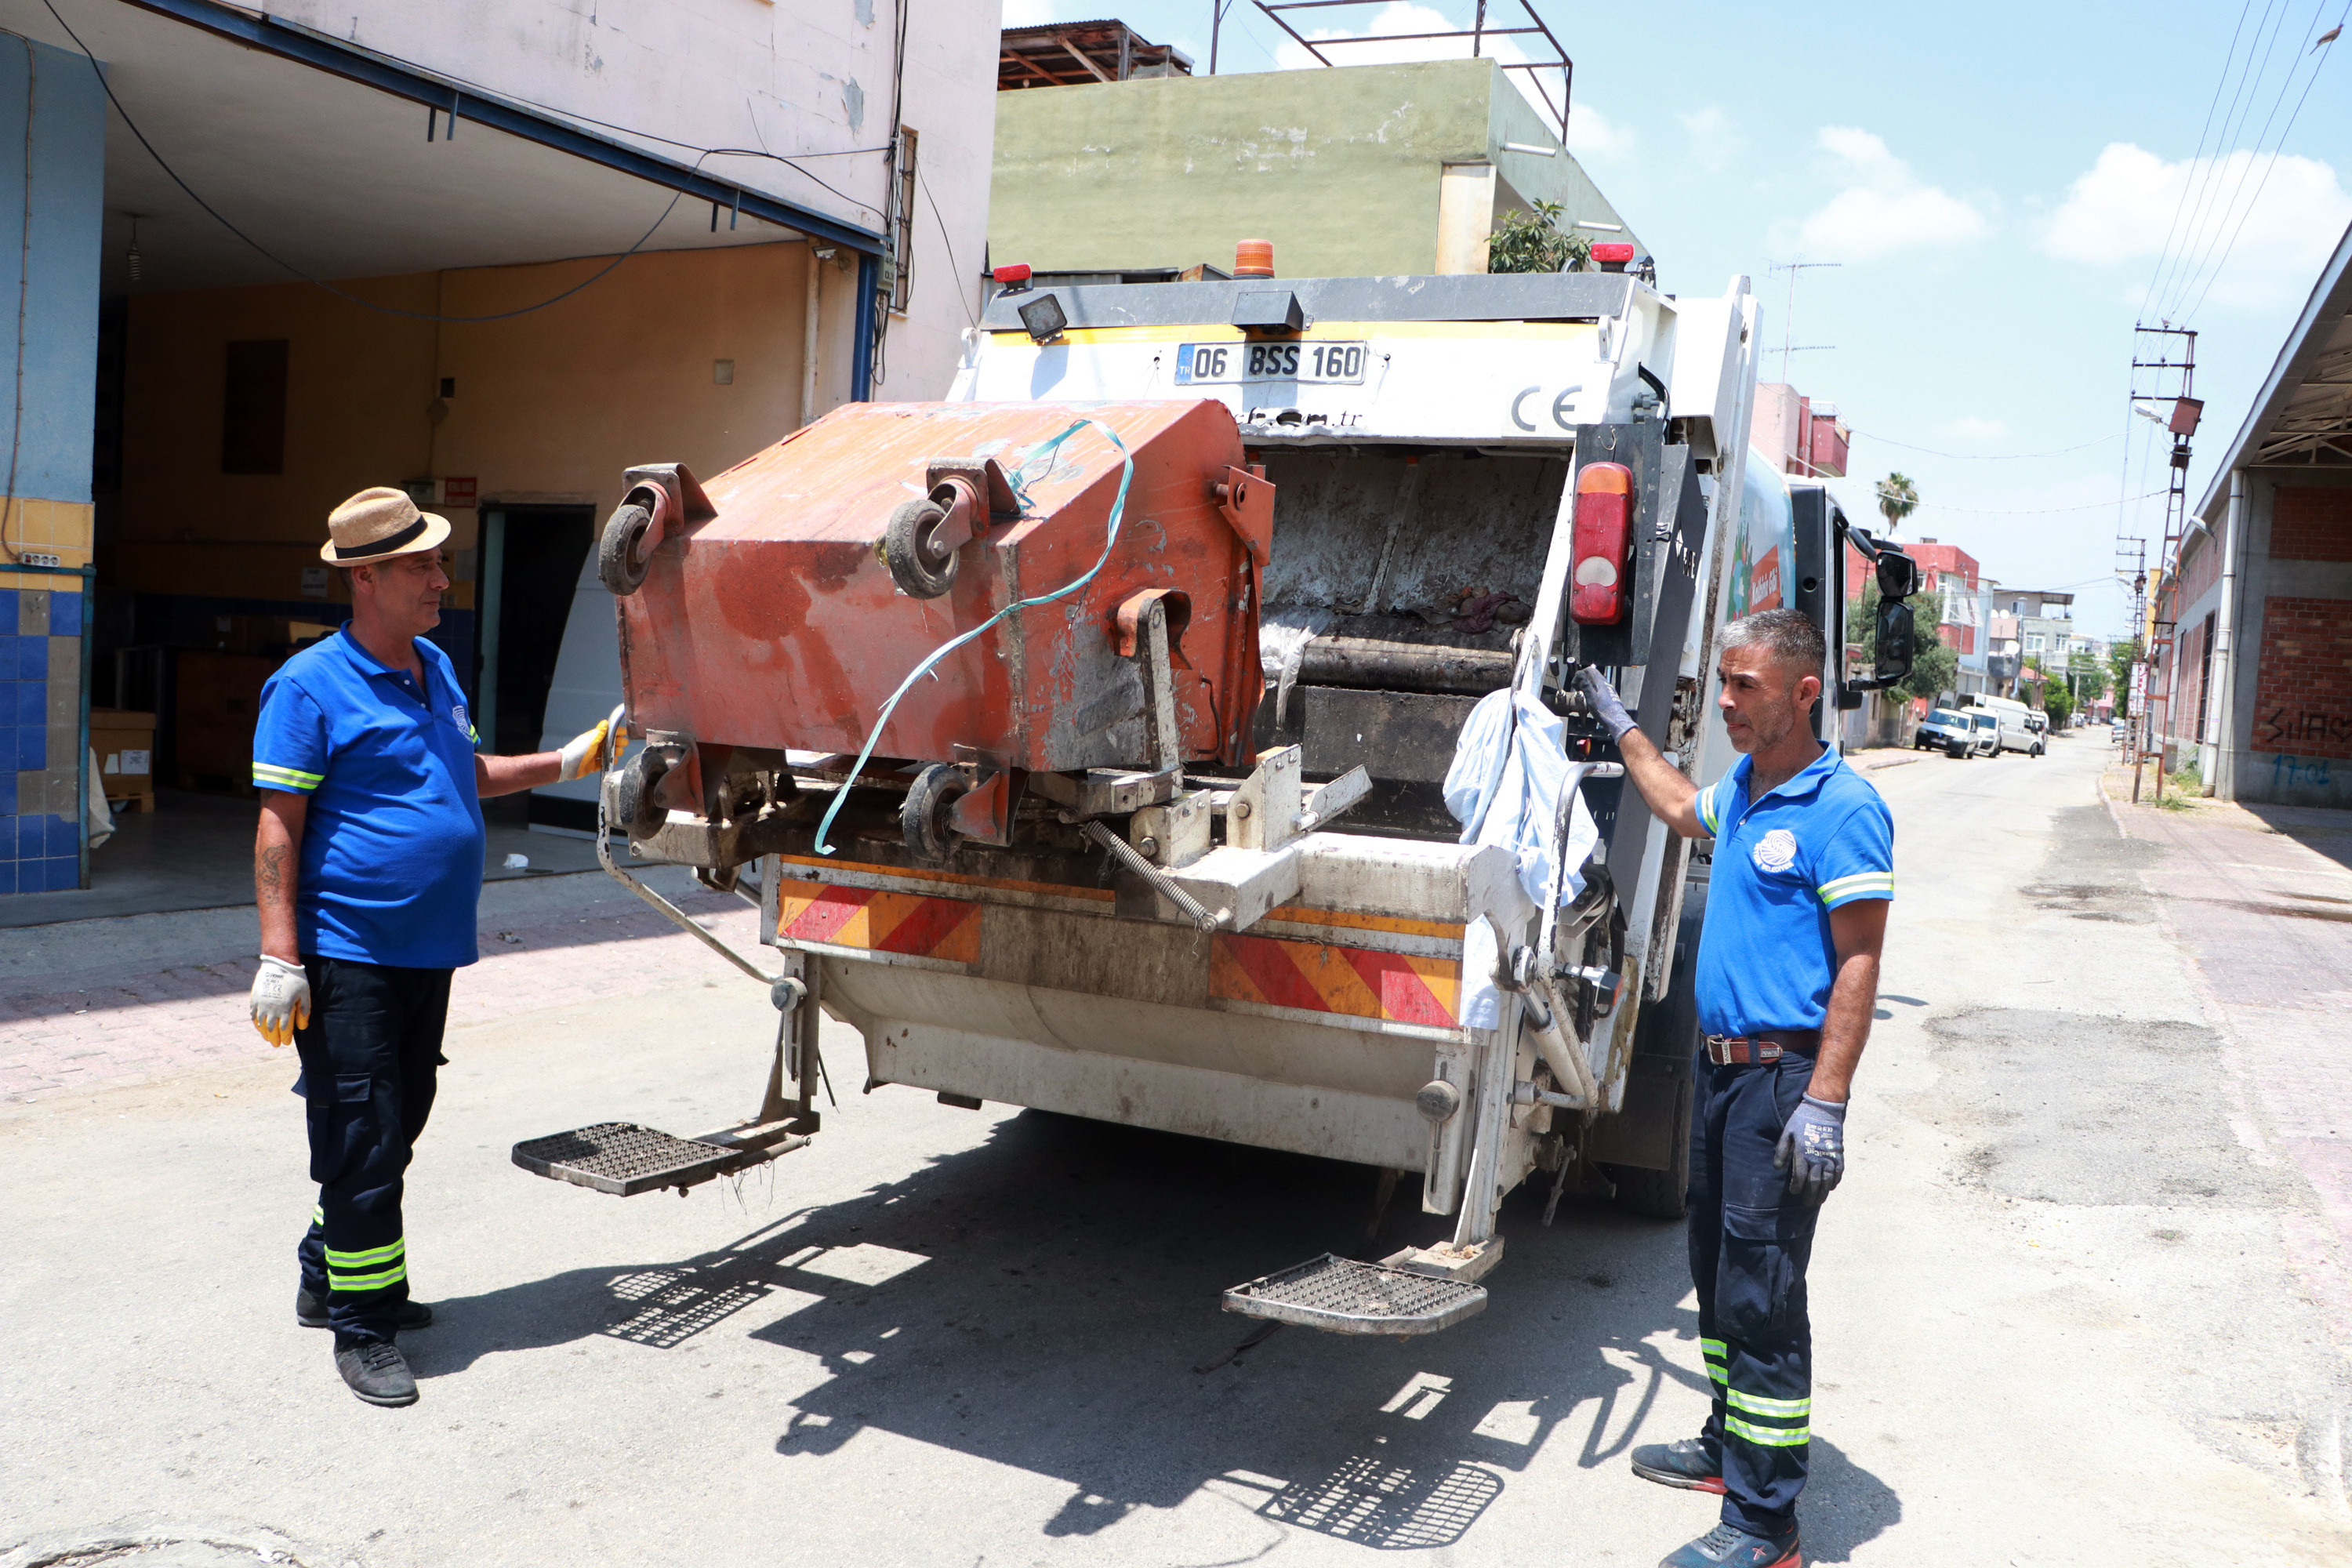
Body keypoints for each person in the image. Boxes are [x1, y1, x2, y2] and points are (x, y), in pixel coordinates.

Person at [248, 485, 618, 1408]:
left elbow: (467, 772)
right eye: (422, 565)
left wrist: (569, 761)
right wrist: (278, 952)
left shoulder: (434, 670)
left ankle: (326, 1265)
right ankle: (364, 1324)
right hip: (349, 949)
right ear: (365, 578)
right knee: (364, 1130)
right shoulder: (308, 685)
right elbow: (276, 827)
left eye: (440, 562)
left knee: (396, 1118)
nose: (442, 579)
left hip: (428, 949)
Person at [1575, 608, 1893, 1568]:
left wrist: (1826, 1101)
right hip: (1720, 1080)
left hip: (1781, 1086)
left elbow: (1861, 965)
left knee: (1762, 1294)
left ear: (1803, 693)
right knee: (1715, 1278)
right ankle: (1729, 1445)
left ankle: (1766, 1523)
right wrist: (1623, 728)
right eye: (1722, 680)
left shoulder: (1844, 809)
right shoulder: (1748, 789)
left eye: (1743, 685)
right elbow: (1678, 804)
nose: (1725, 700)